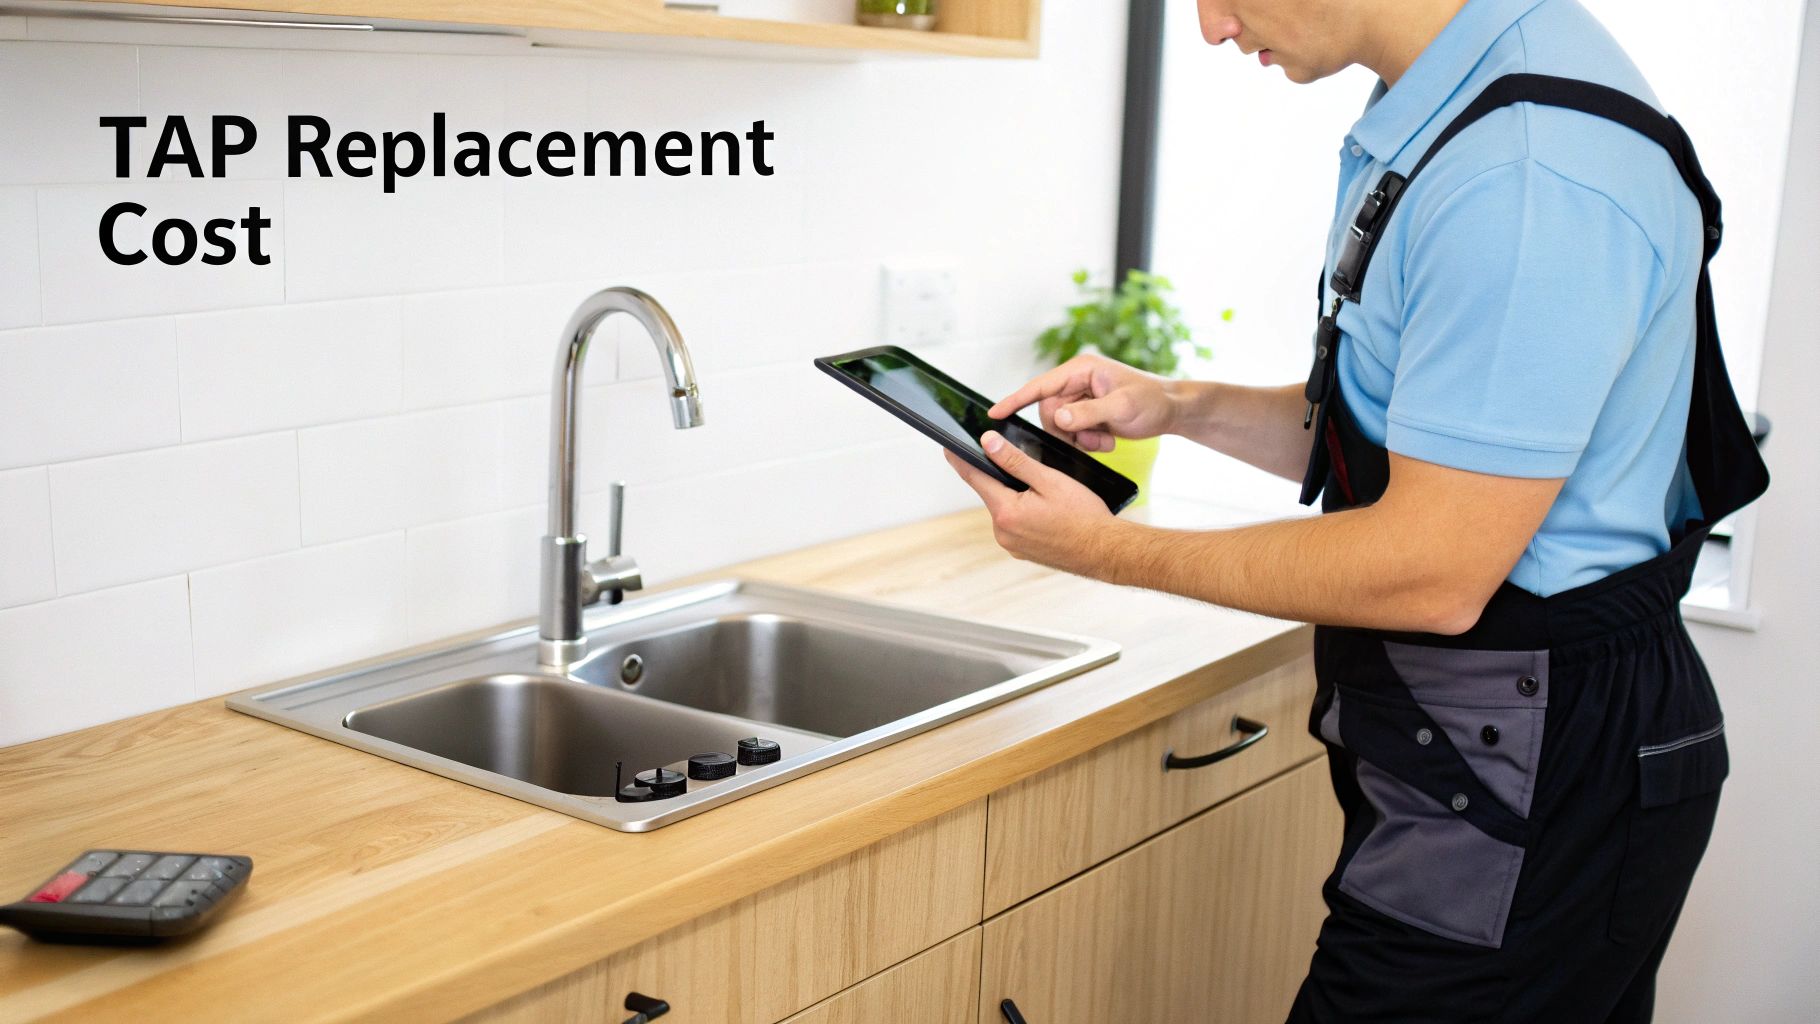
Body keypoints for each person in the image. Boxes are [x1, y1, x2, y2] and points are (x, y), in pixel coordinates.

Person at [944, 0, 1769, 1020]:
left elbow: (1430, 570)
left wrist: (1107, 552)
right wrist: (1176, 405)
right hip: (1499, 742)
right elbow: (1433, 441)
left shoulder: (1521, 170)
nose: (1205, 28)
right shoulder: (1457, 95)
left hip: (1532, 760)